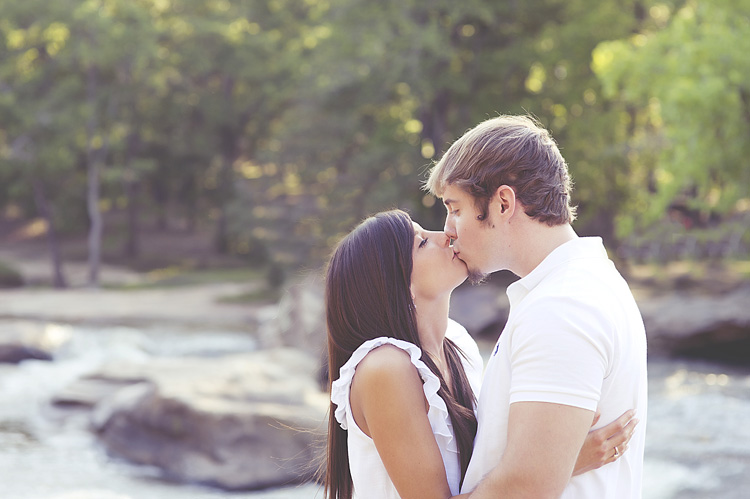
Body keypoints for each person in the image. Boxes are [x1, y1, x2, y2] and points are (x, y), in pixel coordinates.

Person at [323, 209, 637, 499]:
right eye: (421, 244)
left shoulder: (458, 346)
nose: (445, 235)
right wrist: (560, 462)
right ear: (399, 285)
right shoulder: (385, 368)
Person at [425, 115, 648, 498]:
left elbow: (527, 486)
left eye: (455, 208)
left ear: (504, 203)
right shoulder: (578, 287)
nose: (448, 228)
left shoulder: (562, 307)